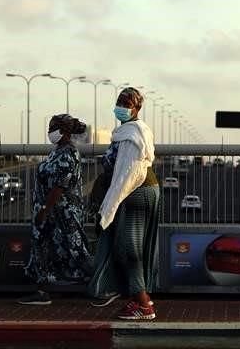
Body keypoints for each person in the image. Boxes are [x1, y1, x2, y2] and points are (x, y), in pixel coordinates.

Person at [88, 87, 160, 320]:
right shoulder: (130, 131)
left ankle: (144, 305)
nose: (121, 106)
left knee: (130, 248)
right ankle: (137, 298)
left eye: (127, 103)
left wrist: (108, 209)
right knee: (130, 247)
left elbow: (127, 175)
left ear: (137, 108)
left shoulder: (131, 135)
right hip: (140, 191)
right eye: (120, 101)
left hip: (135, 192)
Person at [18, 114, 93, 305]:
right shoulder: (55, 152)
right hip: (47, 211)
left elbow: (59, 187)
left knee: (75, 249)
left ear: (64, 131)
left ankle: (99, 286)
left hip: (63, 212)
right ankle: (42, 290)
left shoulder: (69, 153)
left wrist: (44, 209)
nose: (49, 132)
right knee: (41, 247)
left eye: (53, 128)